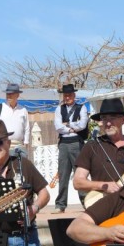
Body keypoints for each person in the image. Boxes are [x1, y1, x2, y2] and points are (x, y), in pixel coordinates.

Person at [52, 83, 88, 213]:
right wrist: (71, 128)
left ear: (74, 95)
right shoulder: (58, 109)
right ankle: (60, 204)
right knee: (63, 173)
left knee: (80, 173)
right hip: (63, 143)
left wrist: (67, 125)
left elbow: (83, 124)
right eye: (65, 95)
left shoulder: (81, 108)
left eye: (69, 95)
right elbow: (58, 126)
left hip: (76, 142)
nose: (67, 97)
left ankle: (86, 202)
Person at [0, 83, 30, 154]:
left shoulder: (23, 110)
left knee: (19, 165)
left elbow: (27, 128)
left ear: (17, 95)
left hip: (18, 146)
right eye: (7, 94)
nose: (9, 96)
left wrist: (26, 143)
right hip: (1, 146)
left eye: (11, 94)